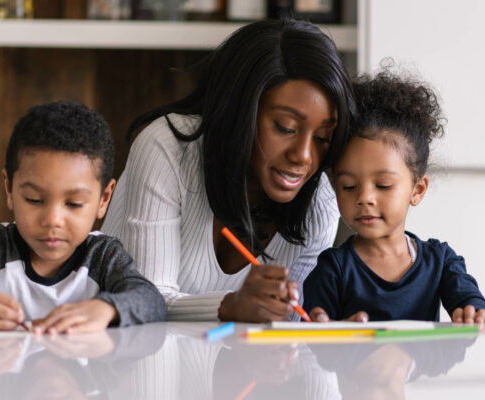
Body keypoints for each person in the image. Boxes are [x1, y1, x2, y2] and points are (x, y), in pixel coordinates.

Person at [101, 18, 356, 322]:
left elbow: (286, 326)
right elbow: (144, 301)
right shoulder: (166, 149)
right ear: (241, 109)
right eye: (285, 127)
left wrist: (331, 341)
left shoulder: (321, 204)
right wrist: (230, 306)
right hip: (116, 361)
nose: (303, 156)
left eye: (322, 138)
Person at [0, 101, 166, 333]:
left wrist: (107, 308)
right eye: (34, 199)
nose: (52, 220)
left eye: (74, 203)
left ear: (103, 199)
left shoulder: (103, 256)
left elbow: (152, 301)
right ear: (9, 190)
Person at [303, 69, 485, 324]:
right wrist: (329, 334)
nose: (364, 197)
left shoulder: (440, 262)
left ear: (417, 190)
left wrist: (472, 309)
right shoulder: (333, 269)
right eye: (349, 186)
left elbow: (469, 300)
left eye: (382, 185)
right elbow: (312, 339)